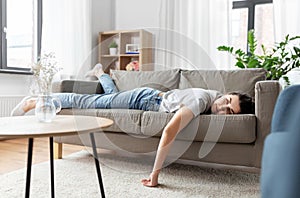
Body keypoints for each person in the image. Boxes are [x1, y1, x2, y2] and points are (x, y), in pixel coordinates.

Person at [11, 64, 254, 187]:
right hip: (145, 100)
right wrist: (155, 175)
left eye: (229, 111)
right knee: (90, 101)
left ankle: (101, 73)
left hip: (146, 98)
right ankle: (36, 101)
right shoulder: (202, 99)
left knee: (110, 100)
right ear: (226, 93)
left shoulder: (212, 96)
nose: (223, 108)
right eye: (227, 101)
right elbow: (170, 130)